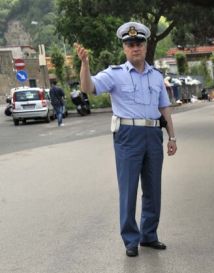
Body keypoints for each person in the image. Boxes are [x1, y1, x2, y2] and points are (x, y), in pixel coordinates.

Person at [75, 21, 177, 257]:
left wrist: (172, 136)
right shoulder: (114, 74)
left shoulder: (156, 77)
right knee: (129, 188)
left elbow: (164, 108)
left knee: (153, 188)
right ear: (124, 48)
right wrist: (85, 63)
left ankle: (149, 235)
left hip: (153, 134)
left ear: (145, 45)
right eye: (130, 44)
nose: (135, 47)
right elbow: (88, 87)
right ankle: (131, 239)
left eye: (139, 42)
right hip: (128, 135)